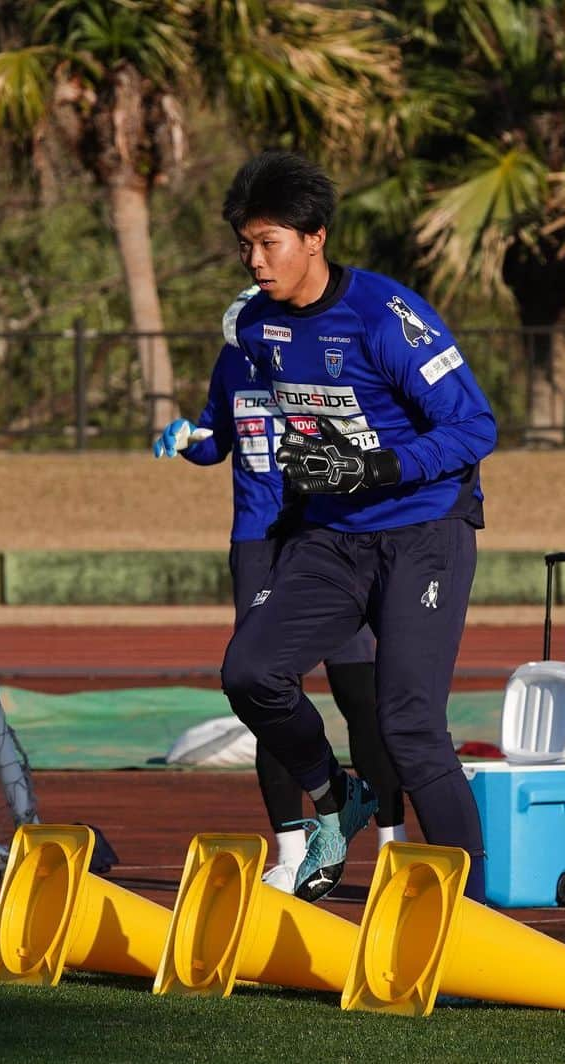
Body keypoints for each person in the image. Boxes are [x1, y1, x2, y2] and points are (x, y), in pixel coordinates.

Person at [219, 150, 498, 903]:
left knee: (409, 725)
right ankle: (335, 797)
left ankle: (467, 917)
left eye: (268, 241)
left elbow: (476, 428)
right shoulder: (254, 325)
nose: (254, 259)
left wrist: (382, 467)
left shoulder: (387, 317)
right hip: (331, 540)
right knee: (249, 673)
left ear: (315, 237)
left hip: (424, 536)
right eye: (245, 243)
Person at [152, 287, 406, 893]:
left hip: (323, 539)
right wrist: (190, 439)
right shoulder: (232, 361)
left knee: (360, 694)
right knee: (265, 692)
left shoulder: (318, 359)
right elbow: (219, 438)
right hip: (257, 545)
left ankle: (392, 847)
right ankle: (292, 850)